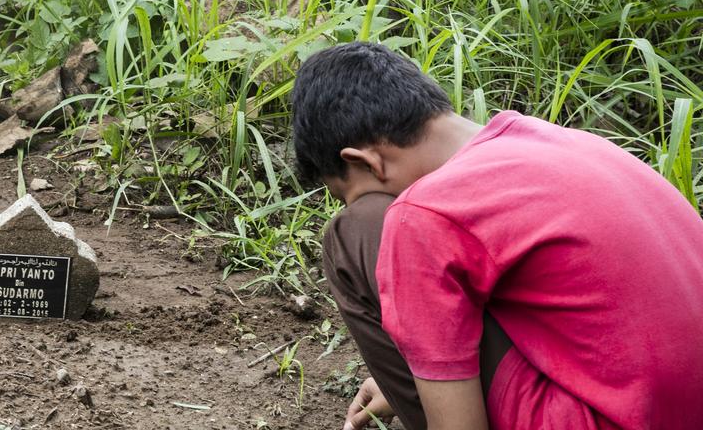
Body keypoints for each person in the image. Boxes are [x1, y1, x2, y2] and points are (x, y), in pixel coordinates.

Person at [289, 42, 703, 430]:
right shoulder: (553, 141)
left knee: (354, 230)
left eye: (348, 193)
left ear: (364, 161)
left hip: (603, 418)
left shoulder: (422, 213)